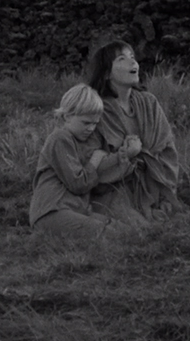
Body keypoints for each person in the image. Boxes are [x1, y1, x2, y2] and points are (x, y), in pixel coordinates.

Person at [29, 83, 142, 237]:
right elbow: (78, 183)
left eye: (95, 123)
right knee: (108, 234)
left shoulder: (80, 142)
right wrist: (94, 161)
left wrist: (125, 155)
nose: (91, 128)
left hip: (75, 210)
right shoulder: (59, 139)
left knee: (123, 229)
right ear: (67, 116)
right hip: (52, 211)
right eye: (86, 123)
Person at [86, 40, 181, 221]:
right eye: (122, 59)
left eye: (133, 57)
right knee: (133, 225)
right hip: (115, 189)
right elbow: (91, 161)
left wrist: (167, 189)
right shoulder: (96, 110)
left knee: (170, 218)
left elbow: (168, 150)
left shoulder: (149, 103)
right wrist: (127, 155)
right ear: (106, 73)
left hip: (155, 185)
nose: (133, 63)